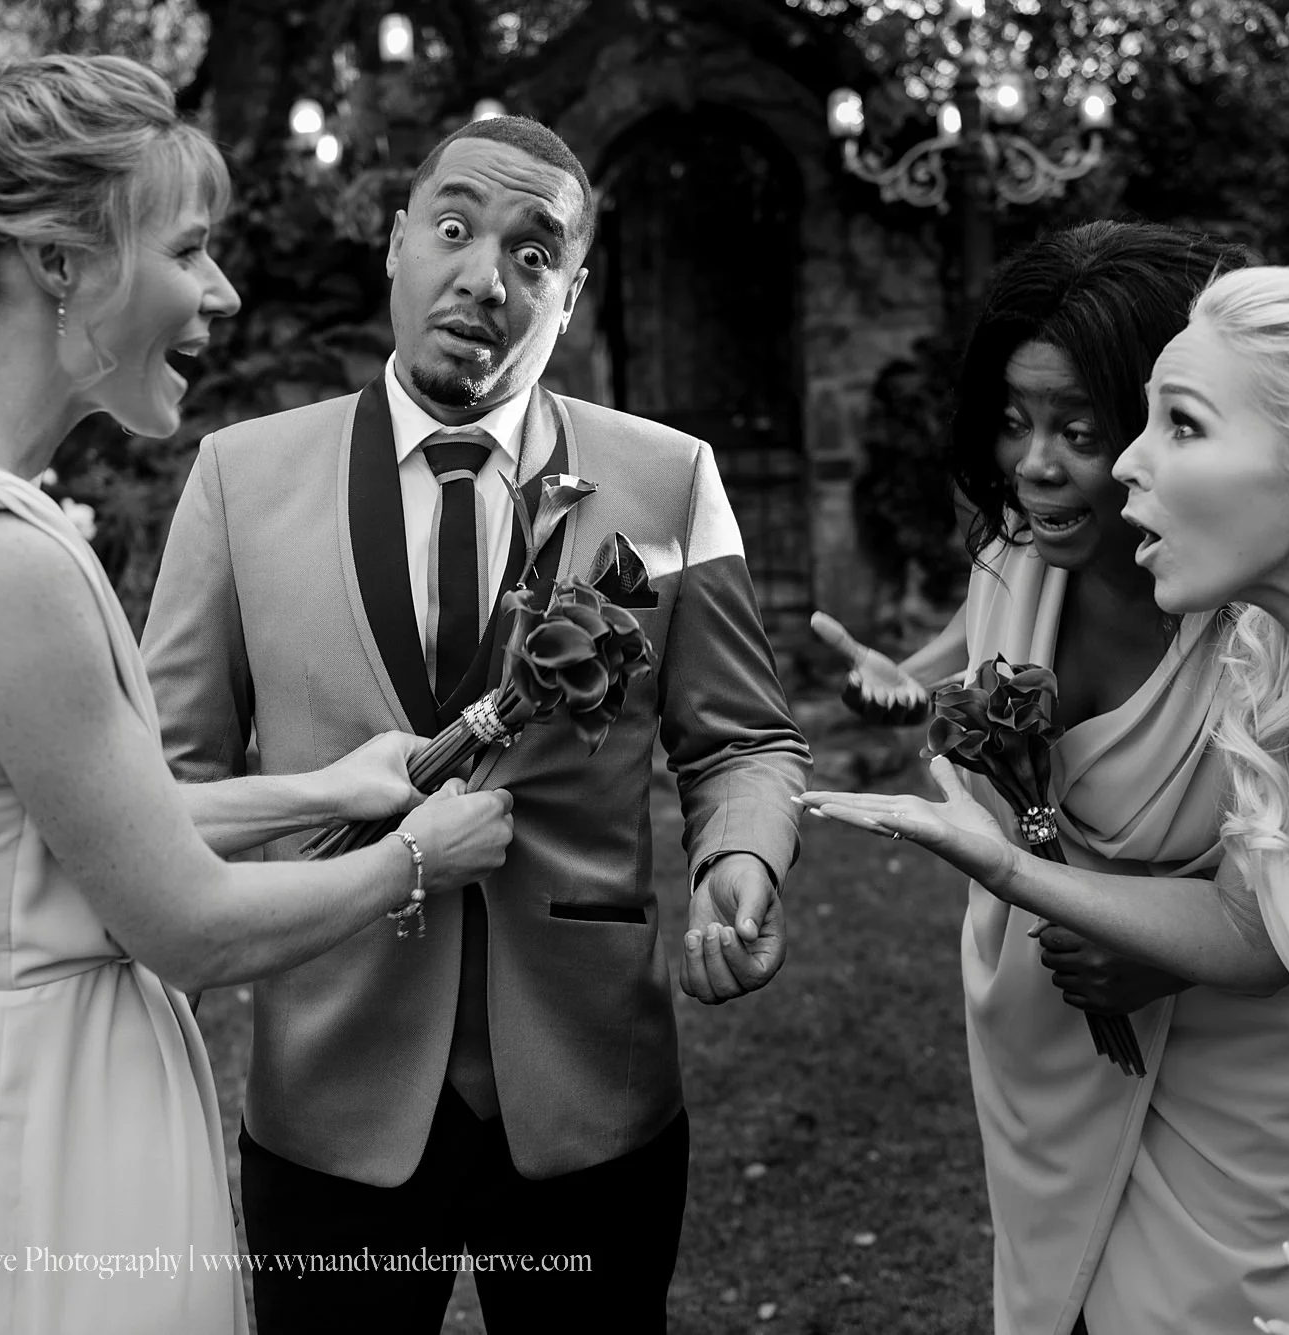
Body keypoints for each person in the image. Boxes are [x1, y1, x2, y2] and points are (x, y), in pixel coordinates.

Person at [0, 14, 513, 1333]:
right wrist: (417, 856)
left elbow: (22, 841)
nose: (220, 292)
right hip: (42, 1147)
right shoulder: (5, 562)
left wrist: (323, 789)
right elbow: (188, 925)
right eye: (185, 251)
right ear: (60, 262)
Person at [803, 264, 1289, 1334]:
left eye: (1177, 424)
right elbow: (1241, 922)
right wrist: (1005, 865)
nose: (1125, 461)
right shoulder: (1283, 678)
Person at [140, 113, 811, 1333]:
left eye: (531, 253)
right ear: (396, 243)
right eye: (452, 229)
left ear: (572, 295)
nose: (484, 278)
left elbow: (740, 742)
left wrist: (742, 861)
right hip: (329, 1086)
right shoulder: (239, 478)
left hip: (589, 1089)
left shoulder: (668, 478)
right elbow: (170, 786)